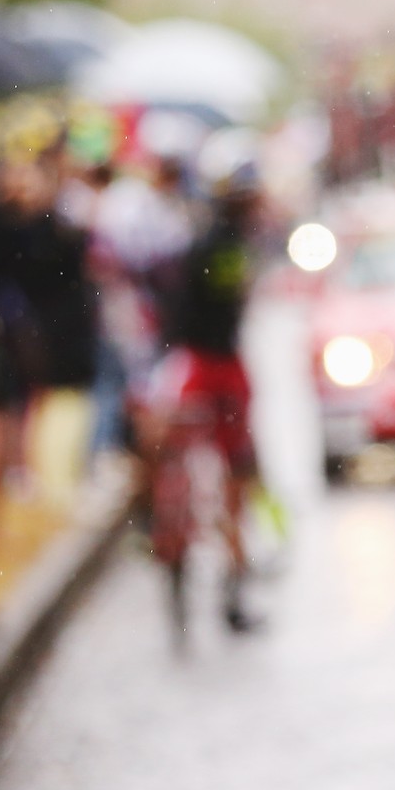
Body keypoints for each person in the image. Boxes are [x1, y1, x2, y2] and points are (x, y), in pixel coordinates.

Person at [136, 131, 267, 632]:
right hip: (218, 368)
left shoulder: (200, 237)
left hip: (193, 365)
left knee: (176, 463)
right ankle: (225, 579)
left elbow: (178, 307)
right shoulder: (224, 240)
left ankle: (166, 532)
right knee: (234, 476)